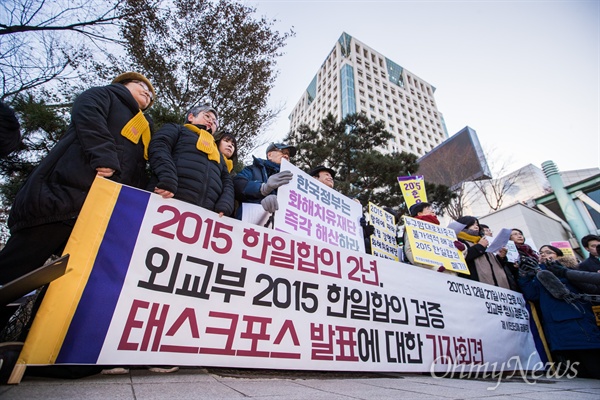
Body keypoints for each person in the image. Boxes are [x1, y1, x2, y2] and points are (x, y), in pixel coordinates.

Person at [0, 72, 156, 285]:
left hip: (93, 215)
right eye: (141, 85)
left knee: (64, 284)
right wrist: (104, 155)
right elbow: (88, 115)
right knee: (15, 269)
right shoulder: (104, 95)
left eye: (150, 94)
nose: (147, 92)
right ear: (123, 84)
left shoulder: (145, 129)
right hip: (60, 199)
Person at [518, 255, 600, 379]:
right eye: (542, 253)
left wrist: (563, 272)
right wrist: (524, 276)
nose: (544, 255)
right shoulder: (537, 275)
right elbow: (532, 295)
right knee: (580, 375)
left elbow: (590, 288)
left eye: (549, 252)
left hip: (579, 325)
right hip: (556, 328)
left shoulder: (570, 271)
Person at [146, 105, 234, 217]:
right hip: (166, 197)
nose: (211, 122)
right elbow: (159, 147)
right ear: (191, 117)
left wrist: (225, 203)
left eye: (214, 122)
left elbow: (227, 181)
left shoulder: (218, 155)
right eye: (207, 116)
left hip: (204, 214)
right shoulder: (177, 130)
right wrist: (167, 176)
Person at [233, 142, 295, 218]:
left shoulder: (292, 181)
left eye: (288, 155)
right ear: (269, 155)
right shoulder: (253, 169)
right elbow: (237, 185)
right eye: (282, 152)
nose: (286, 156)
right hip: (248, 224)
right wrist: (263, 188)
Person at [456, 216, 516, 290]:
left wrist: (501, 257)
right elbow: (460, 259)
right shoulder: (458, 241)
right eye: (472, 224)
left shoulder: (485, 241)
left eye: (477, 224)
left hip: (500, 288)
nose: (476, 227)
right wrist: (480, 247)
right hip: (477, 288)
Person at [402, 202, 458, 274]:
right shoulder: (413, 228)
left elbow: (455, 255)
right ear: (419, 213)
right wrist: (433, 268)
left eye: (432, 209)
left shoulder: (441, 231)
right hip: (429, 274)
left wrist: (463, 249)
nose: (433, 211)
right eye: (428, 209)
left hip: (450, 273)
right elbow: (410, 251)